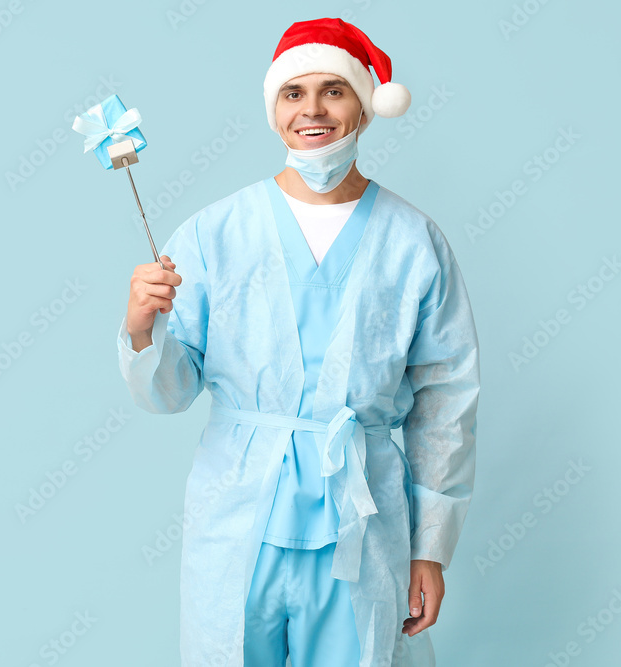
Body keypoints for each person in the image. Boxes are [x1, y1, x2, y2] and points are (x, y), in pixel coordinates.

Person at [116, 17, 480, 667]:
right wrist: (143, 327)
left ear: (366, 104)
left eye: (333, 90)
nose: (312, 109)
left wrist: (431, 546)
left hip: (359, 522)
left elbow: (445, 399)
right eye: (293, 93)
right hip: (240, 517)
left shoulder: (412, 241)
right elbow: (172, 390)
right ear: (273, 108)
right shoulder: (214, 232)